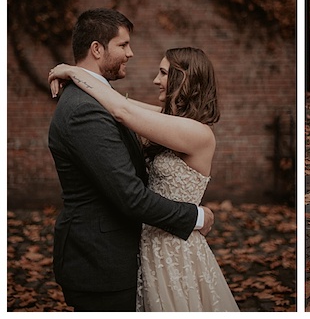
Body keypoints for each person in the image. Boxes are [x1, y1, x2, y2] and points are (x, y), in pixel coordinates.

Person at [49, 26, 238, 311]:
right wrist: (81, 77)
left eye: (163, 73)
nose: (155, 80)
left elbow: (123, 111)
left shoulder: (197, 133)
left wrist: (74, 72)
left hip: (175, 247)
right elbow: (125, 105)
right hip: (150, 244)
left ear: (183, 78)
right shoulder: (169, 121)